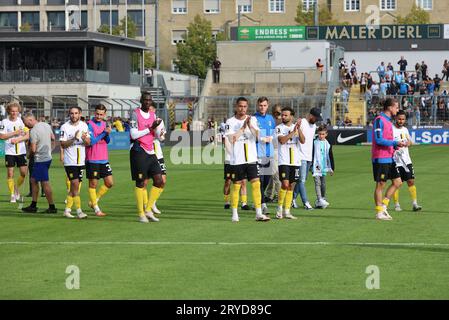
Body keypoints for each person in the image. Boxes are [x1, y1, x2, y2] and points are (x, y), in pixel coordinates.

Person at [225, 97, 270, 222]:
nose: (242, 109)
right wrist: (242, 128)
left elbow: (259, 137)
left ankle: (259, 213)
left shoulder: (253, 119)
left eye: (245, 106)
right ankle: (234, 213)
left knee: (256, 183)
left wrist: (249, 125)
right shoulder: (230, 122)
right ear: (236, 107)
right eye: (240, 106)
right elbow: (232, 139)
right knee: (237, 186)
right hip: (237, 160)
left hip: (251, 158)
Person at [129, 92, 164, 223]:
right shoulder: (134, 114)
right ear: (141, 101)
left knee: (159, 180)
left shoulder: (153, 114)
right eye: (145, 100)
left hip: (150, 150)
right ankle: (141, 214)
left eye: (150, 100)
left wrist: (159, 132)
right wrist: (150, 129)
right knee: (141, 182)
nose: (148, 102)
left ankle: (148, 209)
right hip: (138, 150)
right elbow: (133, 134)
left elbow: (155, 133)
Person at [371, 98, 406, 221]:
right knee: (380, 185)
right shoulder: (379, 120)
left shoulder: (388, 121)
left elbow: (387, 140)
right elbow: (378, 139)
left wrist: (396, 145)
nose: (397, 109)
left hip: (389, 157)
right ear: (390, 108)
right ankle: (379, 212)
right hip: (381, 158)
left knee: (398, 182)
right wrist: (394, 142)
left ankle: (384, 207)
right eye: (396, 107)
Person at [21, 112, 57, 214]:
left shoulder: (33, 131)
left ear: (30, 120)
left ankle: (52, 206)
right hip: (47, 158)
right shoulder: (46, 125)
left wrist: (28, 155)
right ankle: (33, 204)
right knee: (33, 180)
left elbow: (33, 149)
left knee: (44, 182)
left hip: (40, 159)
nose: (25, 125)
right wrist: (51, 150)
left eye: (25, 123)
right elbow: (53, 138)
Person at [60, 106, 91, 219]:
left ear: (80, 114)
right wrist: (74, 138)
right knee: (75, 185)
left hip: (81, 160)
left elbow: (88, 142)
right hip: (70, 161)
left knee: (75, 187)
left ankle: (67, 210)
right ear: (69, 114)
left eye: (76, 113)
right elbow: (63, 144)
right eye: (72, 113)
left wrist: (84, 138)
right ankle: (79, 211)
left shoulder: (84, 125)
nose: (74, 115)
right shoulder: (65, 127)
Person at [275, 106, 304, 220]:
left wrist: (299, 129)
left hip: (295, 161)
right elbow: (282, 140)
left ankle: (287, 211)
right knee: (285, 184)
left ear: (291, 116)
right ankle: (279, 209)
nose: (283, 117)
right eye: (282, 115)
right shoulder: (279, 128)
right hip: (284, 161)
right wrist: (293, 132)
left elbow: (303, 140)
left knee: (291, 186)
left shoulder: (296, 127)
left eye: (286, 115)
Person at [85, 104, 113, 217]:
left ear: (104, 114)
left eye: (101, 114)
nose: (99, 116)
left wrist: (107, 133)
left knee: (110, 183)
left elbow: (107, 141)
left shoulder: (104, 123)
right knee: (93, 184)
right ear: (94, 112)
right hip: (92, 158)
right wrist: (103, 133)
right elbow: (91, 141)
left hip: (103, 158)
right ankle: (96, 209)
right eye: (97, 114)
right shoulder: (89, 125)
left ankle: (94, 200)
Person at [292, 107, 322, 210]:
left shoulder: (313, 127)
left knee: (300, 180)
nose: (317, 120)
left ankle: (292, 199)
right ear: (311, 115)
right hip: (300, 156)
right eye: (316, 118)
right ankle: (306, 202)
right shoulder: (303, 122)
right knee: (301, 181)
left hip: (309, 156)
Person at [392, 110, 422, 212]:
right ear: (396, 118)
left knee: (411, 181)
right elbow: (388, 143)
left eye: (403, 119)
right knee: (397, 183)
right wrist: (395, 145)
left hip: (407, 160)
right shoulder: (391, 129)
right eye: (399, 119)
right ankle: (396, 205)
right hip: (395, 161)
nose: (401, 121)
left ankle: (414, 204)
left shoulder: (405, 129)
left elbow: (409, 141)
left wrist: (408, 143)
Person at [0, 102, 29, 203]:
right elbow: (2, 136)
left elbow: (26, 134)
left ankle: (16, 188)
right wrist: (15, 133)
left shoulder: (20, 121)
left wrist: (20, 138)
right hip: (9, 151)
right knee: (10, 173)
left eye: (16, 111)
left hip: (21, 151)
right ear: (9, 111)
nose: (14, 113)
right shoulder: (4, 122)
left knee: (23, 173)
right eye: (12, 111)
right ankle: (12, 194)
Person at [254, 97, 276, 215]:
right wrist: (261, 139)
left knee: (267, 179)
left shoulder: (270, 119)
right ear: (258, 106)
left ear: (267, 106)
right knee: (260, 180)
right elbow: (252, 135)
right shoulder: (253, 118)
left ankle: (258, 200)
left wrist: (271, 138)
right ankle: (262, 204)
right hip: (257, 154)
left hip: (269, 153)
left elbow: (273, 133)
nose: (262, 107)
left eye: (264, 105)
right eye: (260, 105)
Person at [149, 102, 166, 215]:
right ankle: (147, 206)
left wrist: (159, 134)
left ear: (154, 110)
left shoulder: (159, 120)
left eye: (151, 109)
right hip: (147, 152)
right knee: (145, 181)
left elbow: (162, 137)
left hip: (158, 153)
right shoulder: (143, 120)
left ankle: (152, 203)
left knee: (163, 181)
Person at [312, 125, 334, 209]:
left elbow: (330, 156)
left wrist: (332, 168)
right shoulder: (314, 142)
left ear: (326, 134)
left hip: (324, 166)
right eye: (320, 134)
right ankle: (319, 199)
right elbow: (311, 154)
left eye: (323, 134)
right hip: (316, 165)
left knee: (323, 183)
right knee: (317, 183)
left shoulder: (328, 144)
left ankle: (323, 198)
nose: (321, 136)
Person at [265, 104, 282, 202]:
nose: (277, 114)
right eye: (275, 112)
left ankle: (278, 195)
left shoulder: (280, 121)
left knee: (276, 175)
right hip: (271, 149)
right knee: (272, 174)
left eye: (278, 112)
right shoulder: (270, 121)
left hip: (278, 150)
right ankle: (270, 194)